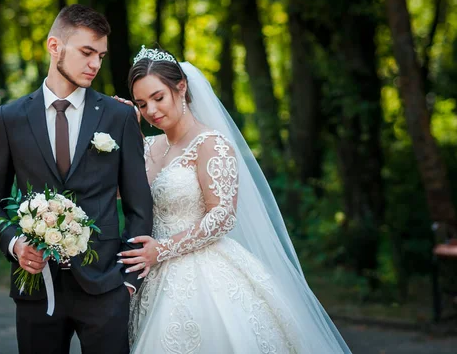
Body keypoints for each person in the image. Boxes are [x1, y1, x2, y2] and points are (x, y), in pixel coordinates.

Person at [114, 46, 352, 353]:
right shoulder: (147, 146)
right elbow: (120, 191)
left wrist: (162, 249)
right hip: (153, 276)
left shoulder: (211, 144)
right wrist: (122, 132)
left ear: (181, 87)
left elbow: (222, 216)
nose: (152, 111)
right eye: (142, 104)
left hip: (202, 273)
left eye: (158, 98)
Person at [0, 5, 153, 354]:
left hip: (105, 288)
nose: (95, 64)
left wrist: (127, 283)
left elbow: (139, 204)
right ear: (54, 46)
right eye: (87, 52)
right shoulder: (11, 118)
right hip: (35, 288)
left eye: (100, 55)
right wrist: (15, 245)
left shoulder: (119, 116)